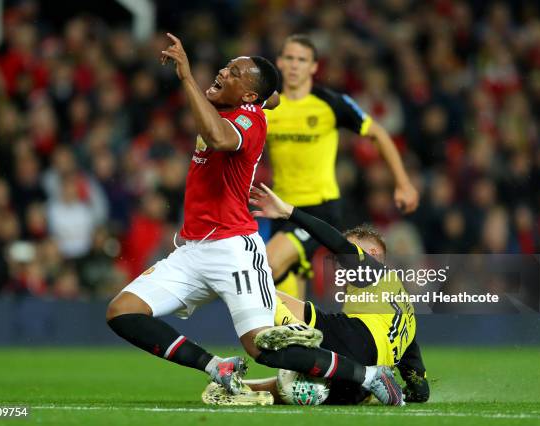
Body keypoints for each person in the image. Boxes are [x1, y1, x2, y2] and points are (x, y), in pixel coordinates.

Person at [106, 34, 403, 406]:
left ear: (247, 97)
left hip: (235, 252)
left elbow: (217, 137)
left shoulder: (249, 120)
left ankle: (371, 376)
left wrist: (187, 78)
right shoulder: (250, 103)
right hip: (192, 250)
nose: (222, 73)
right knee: (122, 311)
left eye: (233, 73)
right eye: (226, 67)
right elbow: (270, 96)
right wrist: (261, 90)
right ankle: (217, 367)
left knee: (264, 349)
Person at [202, 183, 428, 405]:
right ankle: (245, 389)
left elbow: (334, 240)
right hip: (359, 387)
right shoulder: (406, 316)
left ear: (372, 252)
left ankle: (293, 327)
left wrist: (289, 212)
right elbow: (420, 386)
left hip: (360, 339)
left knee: (260, 289)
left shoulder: (373, 269)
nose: (338, 263)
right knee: (304, 387)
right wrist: (411, 391)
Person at [264, 34, 419, 299]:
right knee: (286, 306)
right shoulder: (267, 107)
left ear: (313, 66)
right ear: (279, 61)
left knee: (266, 265)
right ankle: (302, 338)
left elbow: (378, 134)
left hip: (318, 210)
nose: (294, 65)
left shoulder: (331, 103)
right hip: (279, 211)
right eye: (289, 57)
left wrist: (403, 183)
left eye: (301, 59)